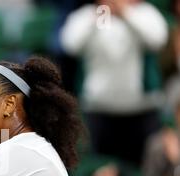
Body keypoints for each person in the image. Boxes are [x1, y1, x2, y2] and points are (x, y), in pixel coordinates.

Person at [61, 0, 168, 166]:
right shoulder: (88, 16)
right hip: (98, 110)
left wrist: (125, 13)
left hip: (142, 110)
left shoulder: (144, 12)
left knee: (141, 171)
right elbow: (71, 44)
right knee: (100, 169)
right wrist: (99, 15)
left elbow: (157, 39)